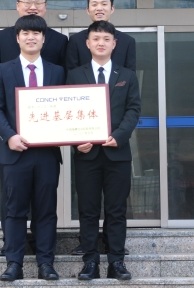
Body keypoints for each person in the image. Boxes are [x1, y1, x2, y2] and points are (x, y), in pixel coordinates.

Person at [0, 0, 68, 257]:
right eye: (27, 2)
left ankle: (43, 252)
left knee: (44, 202)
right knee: (12, 197)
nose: (33, 7)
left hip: (46, 139)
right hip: (10, 132)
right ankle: (11, 245)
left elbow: (67, 91)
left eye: (38, 2)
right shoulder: (1, 38)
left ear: (46, 7)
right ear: (18, 6)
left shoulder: (59, 41)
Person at [66, 20, 141, 280]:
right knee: (87, 211)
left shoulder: (127, 75)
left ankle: (116, 262)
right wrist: (76, 141)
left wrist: (119, 136)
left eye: (106, 39)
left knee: (116, 210)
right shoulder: (75, 75)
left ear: (114, 44)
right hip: (86, 155)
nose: (101, 43)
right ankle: (90, 262)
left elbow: (133, 109)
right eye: (96, 39)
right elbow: (68, 113)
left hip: (117, 154)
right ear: (87, 43)